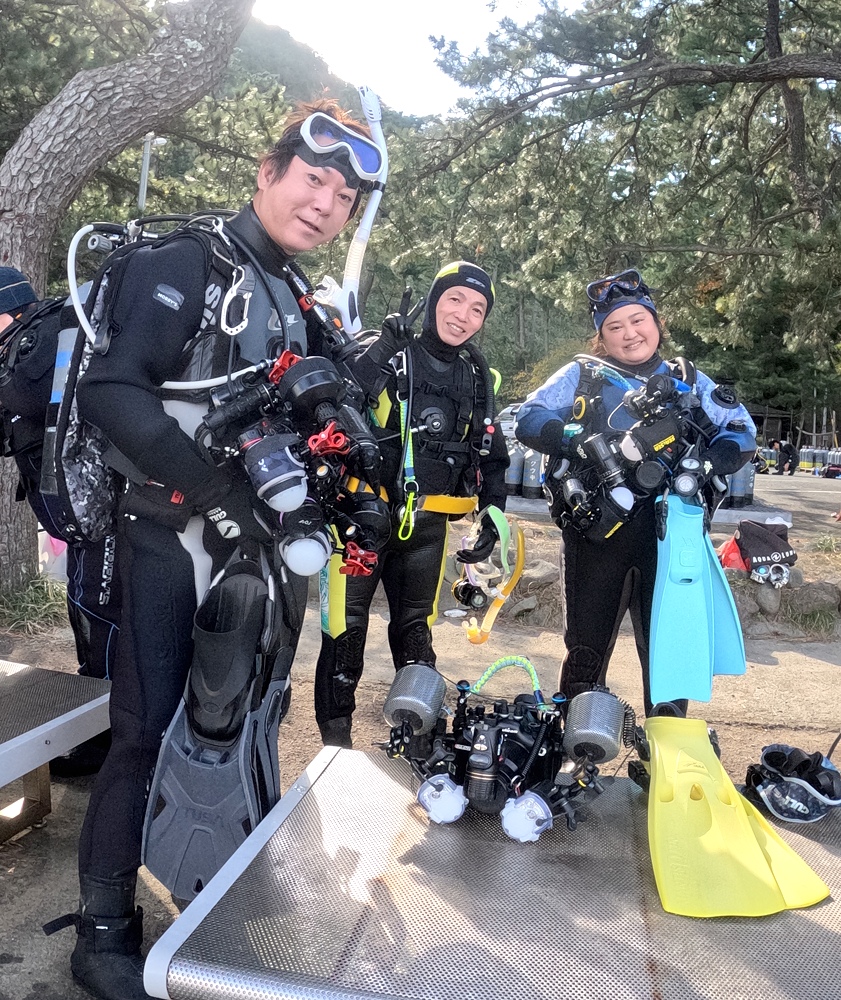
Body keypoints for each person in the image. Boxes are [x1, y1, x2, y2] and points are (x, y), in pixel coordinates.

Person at [45, 99, 384, 1000]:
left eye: (344, 195)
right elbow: (115, 395)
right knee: (143, 730)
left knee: (248, 716)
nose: (324, 202)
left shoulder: (299, 300)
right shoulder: (184, 261)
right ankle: (104, 926)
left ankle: (217, 877)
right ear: (269, 173)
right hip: (168, 534)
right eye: (313, 178)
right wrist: (216, 492)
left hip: (257, 549)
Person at [515, 269, 756, 715]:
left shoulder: (688, 379)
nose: (629, 334)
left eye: (638, 320)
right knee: (586, 647)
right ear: (601, 337)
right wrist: (576, 440)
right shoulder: (583, 376)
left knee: (669, 654)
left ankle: (665, 758)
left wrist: (708, 462)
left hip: (671, 539)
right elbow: (528, 417)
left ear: (656, 323)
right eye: (615, 326)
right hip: (597, 536)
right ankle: (575, 750)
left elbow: (740, 430)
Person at [314, 262, 509, 748]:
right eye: (455, 300)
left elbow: (495, 460)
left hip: (428, 527)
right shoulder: (391, 353)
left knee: (416, 633)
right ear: (434, 301)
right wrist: (382, 347)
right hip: (360, 519)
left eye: (477, 308)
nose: (463, 315)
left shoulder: (478, 378)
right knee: (345, 634)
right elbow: (339, 398)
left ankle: (420, 739)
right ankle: (336, 744)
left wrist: (493, 518)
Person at [0, 267, 119, 775]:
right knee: (93, 615)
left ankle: (109, 744)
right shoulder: (38, 342)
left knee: (101, 620)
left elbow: (18, 406)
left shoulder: (38, 345)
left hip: (97, 519)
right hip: (84, 516)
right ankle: (106, 737)